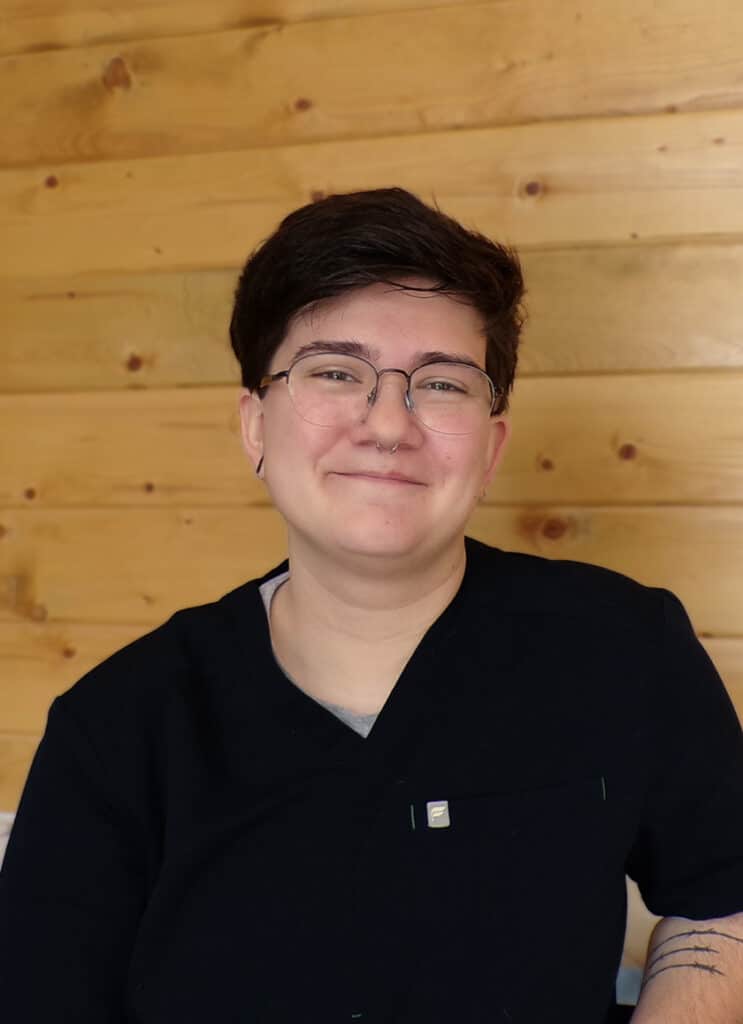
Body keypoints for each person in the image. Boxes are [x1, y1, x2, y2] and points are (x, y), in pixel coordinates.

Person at [1, 188, 742, 1023]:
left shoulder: (621, 647)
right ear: (254, 425)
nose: (388, 422)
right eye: (334, 372)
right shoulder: (118, 726)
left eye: (443, 383)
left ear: (491, 444)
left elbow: (721, 898)